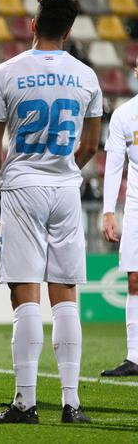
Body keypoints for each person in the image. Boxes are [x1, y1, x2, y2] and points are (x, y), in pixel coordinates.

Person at [0, 0, 102, 424]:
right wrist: (67, 168)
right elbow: (90, 144)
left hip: (23, 186)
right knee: (65, 293)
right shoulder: (87, 76)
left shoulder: (6, 73)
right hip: (65, 187)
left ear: (34, 24)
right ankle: (72, 403)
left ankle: (25, 403)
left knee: (24, 290)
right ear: (69, 30)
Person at [100, 57, 138, 378]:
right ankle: (134, 356)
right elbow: (114, 165)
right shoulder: (125, 115)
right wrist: (108, 211)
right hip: (136, 207)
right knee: (135, 279)